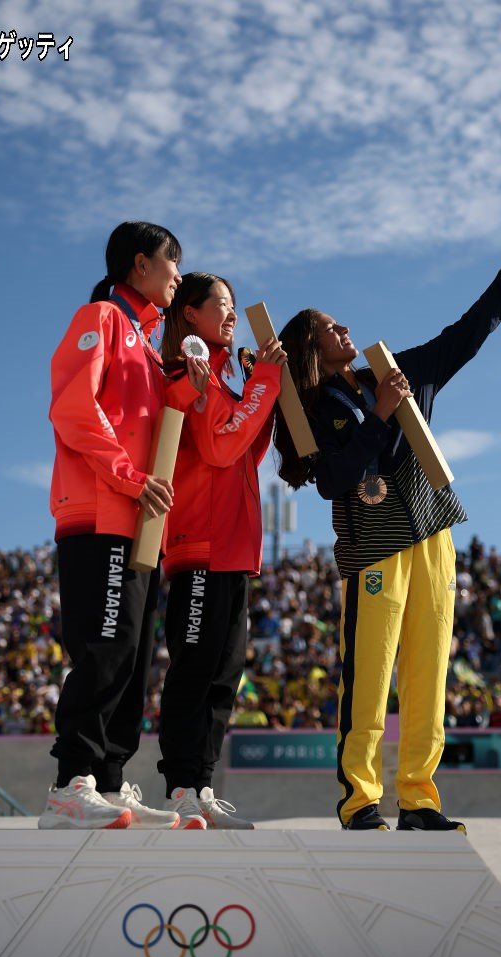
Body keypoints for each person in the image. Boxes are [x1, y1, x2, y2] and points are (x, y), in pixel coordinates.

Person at [274, 217, 501, 832]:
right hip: (374, 548)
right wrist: (380, 416)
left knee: (428, 674)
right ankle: (359, 799)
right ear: (311, 348)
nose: (346, 329)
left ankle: (419, 798)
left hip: (433, 536)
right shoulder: (313, 410)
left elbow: (461, 338)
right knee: (368, 679)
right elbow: (333, 479)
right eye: (330, 326)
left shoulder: (389, 373)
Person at [39, 222, 210, 831]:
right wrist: (130, 478)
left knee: (134, 657)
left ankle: (107, 781)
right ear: (139, 264)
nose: (178, 275)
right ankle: (70, 784)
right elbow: (73, 407)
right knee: (105, 648)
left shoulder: (144, 339)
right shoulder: (103, 318)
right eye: (172, 262)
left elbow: (149, 417)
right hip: (101, 512)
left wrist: (188, 393)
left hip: (138, 519)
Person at [156, 272, 285, 828]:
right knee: (195, 670)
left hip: (233, 549)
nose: (231, 315)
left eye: (233, 306)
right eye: (222, 305)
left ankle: (201, 789)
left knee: (223, 674)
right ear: (190, 313)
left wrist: (260, 389)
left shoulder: (226, 378)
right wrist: (264, 388)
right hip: (201, 545)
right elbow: (216, 445)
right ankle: (182, 788)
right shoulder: (191, 368)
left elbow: (244, 454)